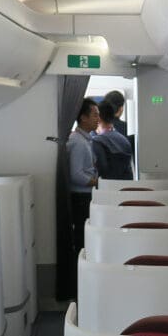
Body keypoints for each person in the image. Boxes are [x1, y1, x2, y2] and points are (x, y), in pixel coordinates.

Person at [67, 99, 99, 269]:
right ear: (83, 117)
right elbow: (76, 174)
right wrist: (97, 182)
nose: (98, 119)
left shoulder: (85, 139)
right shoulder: (78, 142)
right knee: (81, 237)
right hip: (80, 197)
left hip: (84, 195)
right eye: (95, 115)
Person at [92, 100, 135, 181]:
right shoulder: (124, 140)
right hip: (125, 186)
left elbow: (100, 170)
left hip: (107, 188)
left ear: (99, 118)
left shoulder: (97, 141)